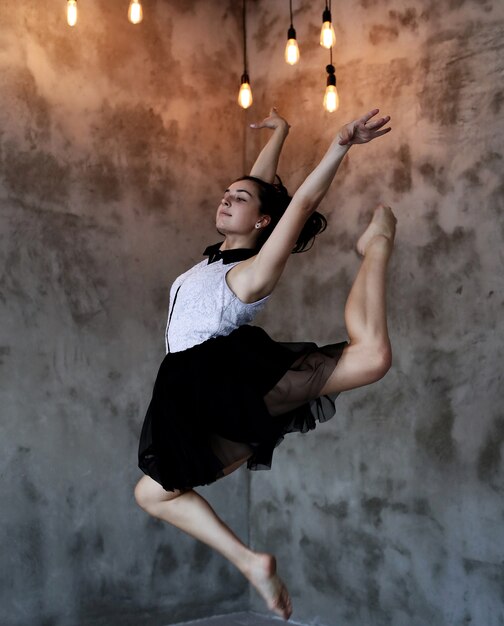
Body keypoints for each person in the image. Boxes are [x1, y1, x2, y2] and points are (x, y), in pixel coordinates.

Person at [135, 108, 396, 620]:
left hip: (224, 376)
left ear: (262, 223)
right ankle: (252, 563)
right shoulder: (212, 260)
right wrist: (281, 135)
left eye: (239, 199)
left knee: (373, 357)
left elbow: (298, 203)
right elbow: (261, 190)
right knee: (152, 493)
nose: (226, 198)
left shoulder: (251, 274)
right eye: (225, 193)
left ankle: (377, 245)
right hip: (188, 391)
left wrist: (340, 145)